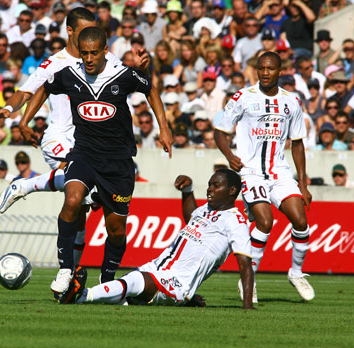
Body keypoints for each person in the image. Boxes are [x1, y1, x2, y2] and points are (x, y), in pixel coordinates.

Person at [16, 26, 172, 299]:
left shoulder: (123, 74)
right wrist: (24, 120)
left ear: (104, 51)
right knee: (73, 200)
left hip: (118, 162)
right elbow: (44, 89)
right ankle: (66, 269)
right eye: (84, 53)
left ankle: (107, 279)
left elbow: (152, 90)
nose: (88, 58)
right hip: (84, 154)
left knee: (115, 230)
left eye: (93, 53)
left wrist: (164, 127)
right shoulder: (69, 74)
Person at [0, 8, 151, 278]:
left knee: (80, 212)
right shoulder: (54, 63)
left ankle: (71, 274)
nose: (91, 38)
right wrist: (11, 112)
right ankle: (27, 184)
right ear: (70, 31)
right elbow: (26, 92)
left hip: (91, 141)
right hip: (59, 138)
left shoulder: (104, 57)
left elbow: (127, 79)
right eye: (84, 31)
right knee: (80, 192)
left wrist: (139, 69)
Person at [58, 170, 255, 309]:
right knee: (128, 290)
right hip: (157, 268)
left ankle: (81, 296)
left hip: (176, 281)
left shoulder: (236, 221)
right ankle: (88, 296)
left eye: (216, 186)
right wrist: (188, 190)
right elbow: (190, 218)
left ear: (231, 191)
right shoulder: (207, 209)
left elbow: (245, 263)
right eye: (210, 184)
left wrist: (247, 305)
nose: (210, 189)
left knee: (133, 282)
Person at [214, 52, 314, 302]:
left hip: (279, 172)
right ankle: (250, 279)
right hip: (250, 172)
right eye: (261, 68)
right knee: (265, 222)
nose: (265, 72)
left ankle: (296, 272)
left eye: (270, 68)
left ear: (280, 71)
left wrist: (302, 183)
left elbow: (298, 143)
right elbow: (220, 130)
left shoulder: (292, 102)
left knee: (300, 220)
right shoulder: (243, 97)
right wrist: (229, 155)